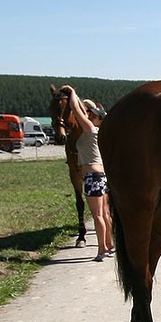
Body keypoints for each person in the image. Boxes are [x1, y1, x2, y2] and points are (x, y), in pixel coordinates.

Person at [61, 86, 114, 261]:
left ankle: (101, 250)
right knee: (105, 213)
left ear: (98, 118)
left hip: (92, 176)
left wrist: (72, 92)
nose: (89, 115)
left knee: (97, 214)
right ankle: (109, 244)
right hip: (101, 176)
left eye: (92, 114)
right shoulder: (99, 132)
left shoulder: (90, 130)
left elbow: (77, 111)